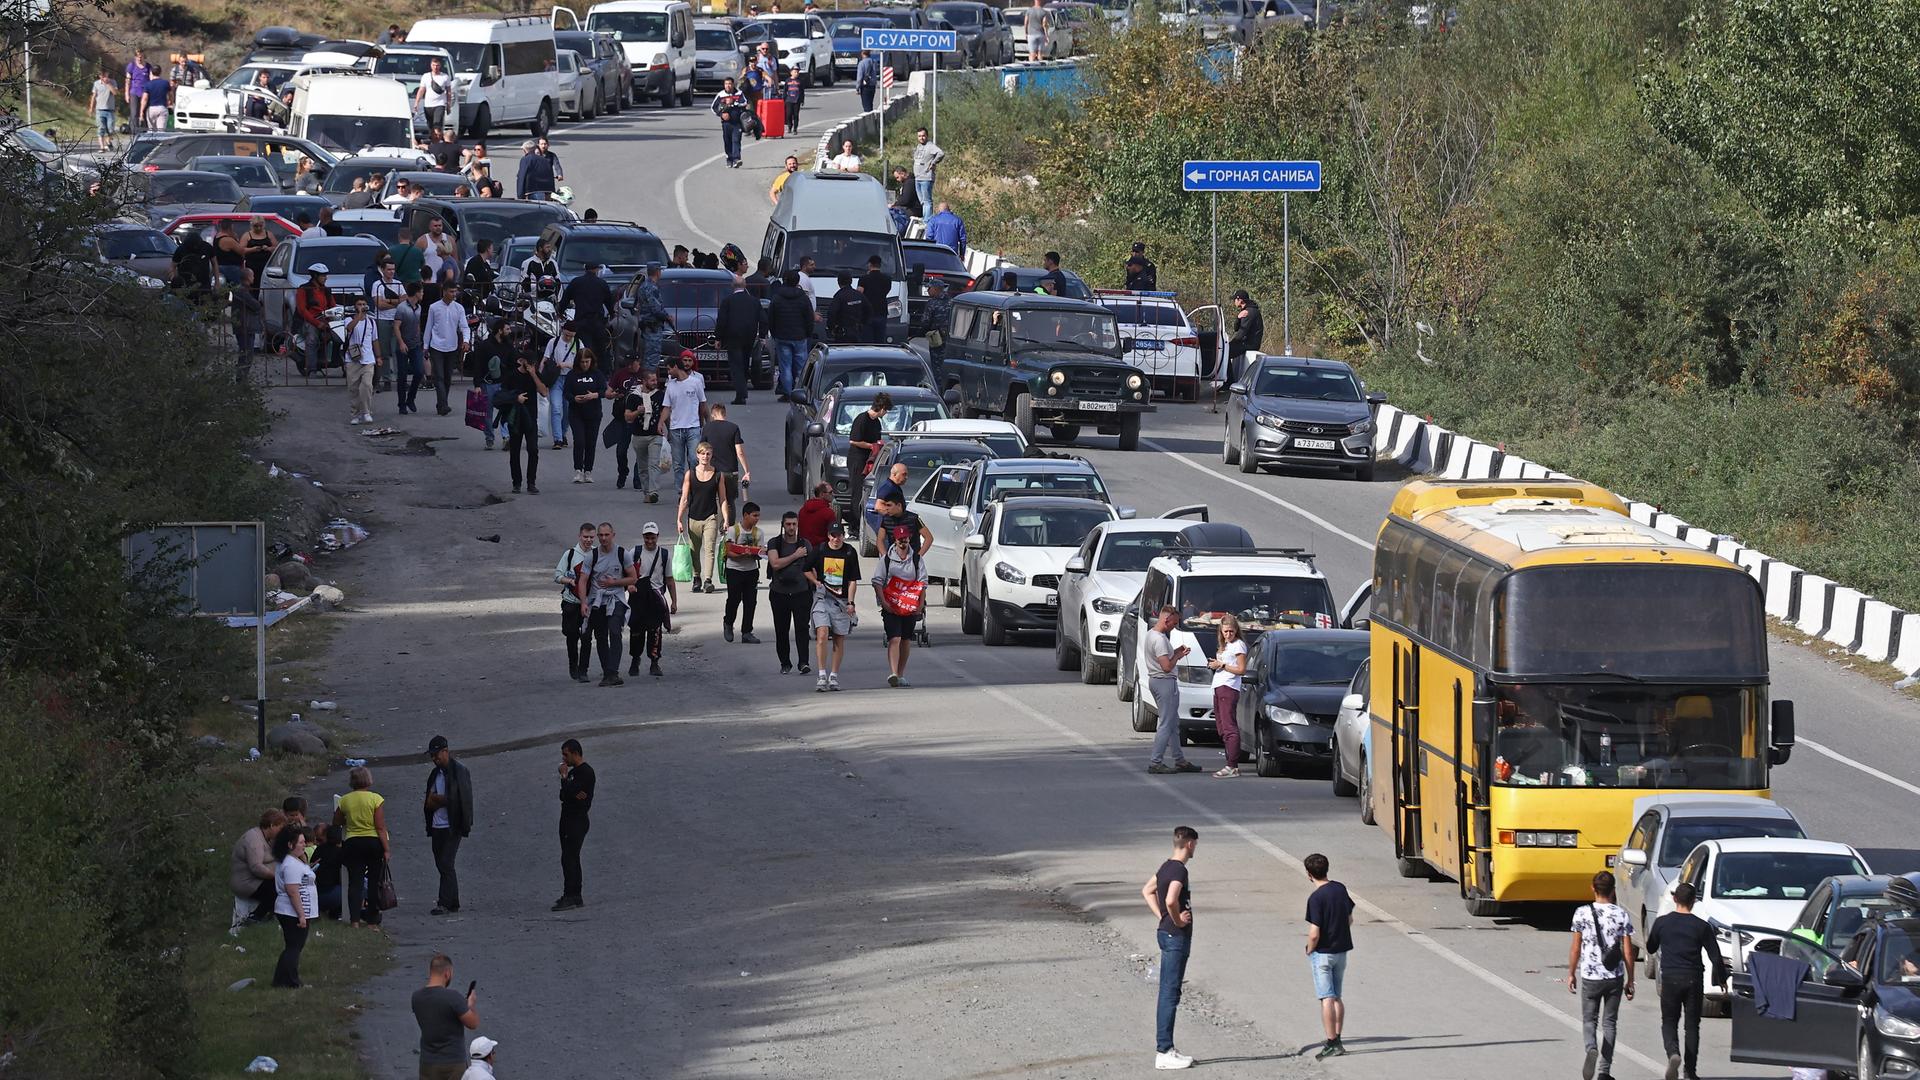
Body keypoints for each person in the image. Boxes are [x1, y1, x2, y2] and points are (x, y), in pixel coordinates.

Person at [1645, 881, 1728, 1080]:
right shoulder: (1701, 926)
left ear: (1674, 899)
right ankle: (1690, 1071)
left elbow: (1650, 947)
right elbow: (1715, 955)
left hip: (1671, 977)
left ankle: (1673, 1053)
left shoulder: (1662, 922)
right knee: (1692, 1025)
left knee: (1669, 1021)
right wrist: (1722, 979)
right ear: (1694, 902)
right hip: (1693, 979)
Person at [1568, 869, 1635, 1080]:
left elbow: (1576, 948)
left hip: (1590, 975)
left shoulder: (1581, 913)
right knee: (1610, 1023)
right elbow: (1627, 951)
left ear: (1592, 888)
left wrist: (1571, 973)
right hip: (1614, 976)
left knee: (1589, 1020)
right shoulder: (1621, 914)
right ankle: (1604, 1071)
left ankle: (1591, 1049)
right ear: (1613, 890)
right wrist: (1631, 979)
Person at [1141, 826, 1198, 1071]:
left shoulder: (1165, 866)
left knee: (1168, 991)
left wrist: (1162, 917)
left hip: (1166, 933)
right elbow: (1171, 899)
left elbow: (1146, 890)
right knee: (1169, 993)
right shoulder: (1179, 870)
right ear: (1190, 844)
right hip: (1175, 937)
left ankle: (1165, 1048)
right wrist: (1175, 919)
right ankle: (1164, 1050)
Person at [1304, 852, 1356, 1060]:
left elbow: (1314, 932)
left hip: (1323, 953)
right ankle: (1339, 1037)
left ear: (1309, 874)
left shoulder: (1316, 898)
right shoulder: (1339, 888)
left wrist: (1309, 948)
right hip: (1341, 950)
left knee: (1326, 997)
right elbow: (1349, 918)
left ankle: (1331, 1041)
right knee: (1337, 997)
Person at [577, 522, 636, 687]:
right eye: (600, 535)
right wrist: (583, 603)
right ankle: (609, 673)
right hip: (597, 601)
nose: (603, 538)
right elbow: (582, 581)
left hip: (615, 599)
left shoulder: (622, 553)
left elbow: (633, 578)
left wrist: (614, 583)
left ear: (613, 535)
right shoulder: (592, 556)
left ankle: (613, 672)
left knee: (615, 631)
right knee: (601, 636)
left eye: (606, 535)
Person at [422, 735, 474, 916]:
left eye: (436, 755)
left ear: (446, 751)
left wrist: (439, 800)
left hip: (453, 826)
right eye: (432, 756)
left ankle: (443, 903)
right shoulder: (435, 774)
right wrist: (438, 800)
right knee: (443, 865)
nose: (434, 759)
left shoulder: (459, 771)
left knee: (446, 863)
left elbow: (463, 801)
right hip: (437, 826)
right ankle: (453, 902)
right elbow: (428, 801)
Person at [1145, 606, 1200, 774]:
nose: (1174, 626)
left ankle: (1179, 760)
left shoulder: (1151, 635)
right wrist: (1177, 656)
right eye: (1174, 623)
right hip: (1164, 682)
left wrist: (1175, 652)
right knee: (1166, 724)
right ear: (1166, 620)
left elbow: (1163, 659)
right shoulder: (1160, 639)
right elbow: (1167, 666)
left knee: (1173, 723)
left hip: (1158, 681)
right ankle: (1156, 762)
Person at [870, 523, 926, 687]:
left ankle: (901, 674)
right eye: (900, 539)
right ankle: (893, 673)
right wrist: (884, 602)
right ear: (895, 539)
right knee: (894, 638)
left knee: (906, 640)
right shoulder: (886, 560)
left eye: (905, 539)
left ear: (909, 538)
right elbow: (877, 582)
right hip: (891, 606)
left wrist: (920, 605)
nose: (903, 542)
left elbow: (922, 583)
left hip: (909, 606)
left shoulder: (916, 559)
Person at [334, 765, 390, 928]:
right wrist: (386, 849)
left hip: (353, 842)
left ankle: (354, 920)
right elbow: (380, 826)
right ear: (368, 780)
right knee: (373, 882)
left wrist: (350, 820)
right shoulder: (376, 799)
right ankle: (372, 921)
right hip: (373, 842)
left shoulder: (345, 800)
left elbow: (336, 821)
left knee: (355, 883)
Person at [806, 520, 860, 691]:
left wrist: (851, 602)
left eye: (840, 535)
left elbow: (853, 580)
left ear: (843, 536)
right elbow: (806, 568)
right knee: (822, 634)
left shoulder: (850, 552)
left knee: (838, 637)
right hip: (822, 598)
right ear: (828, 535)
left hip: (841, 601)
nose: (837, 539)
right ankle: (822, 674)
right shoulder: (820, 550)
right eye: (833, 535)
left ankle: (834, 676)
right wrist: (816, 582)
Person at [413, 954, 480, 1080]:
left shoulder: (416, 997)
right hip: (453, 1063)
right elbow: (473, 1023)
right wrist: (470, 1006)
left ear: (430, 971)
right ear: (447, 973)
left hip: (427, 1063)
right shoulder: (453, 997)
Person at [766, 510, 814, 675]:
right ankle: (785, 663)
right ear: (783, 525)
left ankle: (804, 662)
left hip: (801, 593)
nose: (791, 527)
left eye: (794, 524)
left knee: (802, 629)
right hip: (779, 594)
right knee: (781, 630)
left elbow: (812, 567)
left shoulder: (805, 544)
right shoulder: (775, 543)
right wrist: (795, 555)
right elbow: (775, 564)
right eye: (788, 524)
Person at [678, 442, 729, 595]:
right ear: (697, 455)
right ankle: (696, 578)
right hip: (693, 517)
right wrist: (679, 519)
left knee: (710, 549)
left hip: (710, 517)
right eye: (703, 453)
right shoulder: (690, 474)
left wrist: (725, 519)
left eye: (708, 453)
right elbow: (685, 498)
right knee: (694, 550)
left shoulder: (718, 475)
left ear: (711, 455)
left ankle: (708, 580)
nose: (705, 457)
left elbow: (723, 499)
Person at [627, 522, 676, 678]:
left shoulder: (664, 555)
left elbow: (669, 579)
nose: (650, 541)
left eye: (652, 537)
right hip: (638, 597)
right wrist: (629, 586)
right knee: (636, 630)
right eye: (647, 537)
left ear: (657, 537)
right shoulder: (634, 552)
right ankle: (635, 660)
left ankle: (654, 662)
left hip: (655, 598)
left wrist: (674, 602)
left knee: (655, 632)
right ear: (643, 537)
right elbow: (626, 574)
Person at [271, 825, 316, 988]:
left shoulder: (293, 861)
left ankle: (281, 980)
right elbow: (292, 891)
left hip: (295, 910)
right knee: (294, 947)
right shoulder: (290, 865)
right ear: (290, 845)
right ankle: (291, 981)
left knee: (294, 946)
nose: (305, 845)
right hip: (292, 912)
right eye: (301, 842)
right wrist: (301, 915)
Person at [553, 738, 595, 911]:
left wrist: (564, 779)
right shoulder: (573, 773)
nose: (563, 759)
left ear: (576, 753)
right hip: (568, 819)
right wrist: (568, 788)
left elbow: (573, 794)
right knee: (568, 857)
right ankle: (572, 894)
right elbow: (564, 795)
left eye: (566, 754)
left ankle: (572, 895)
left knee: (569, 857)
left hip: (577, 820)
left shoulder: (585, 772)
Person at [498, 350, 548, 494]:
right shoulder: (512, 376)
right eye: (529, 363)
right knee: (515, 451)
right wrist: (515, 398)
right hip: (515, 416)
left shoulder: (535, 375)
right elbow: (502, 395)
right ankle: (516, 482)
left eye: (533, 364)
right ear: (522, 361)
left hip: (531, 417)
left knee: (533, 449)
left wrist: (533, 374)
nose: (531, 366)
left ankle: (531, 482)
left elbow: (544, 392)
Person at [1206, 614, 1248, 777]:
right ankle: (1230, 759)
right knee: (1221, 726)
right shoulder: (1225, 646)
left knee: (1229, 726)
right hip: (1218, 686)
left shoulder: (1238, 645)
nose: (1228, 634)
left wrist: (1222, 664)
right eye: (1225, 631)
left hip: (1229, 687)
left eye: (1231, 631)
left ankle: (1232, 765)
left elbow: (1241, 669)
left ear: (1236, 630)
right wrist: (1215, 665)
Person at [661, 352, 708, 495]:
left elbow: (703, 404)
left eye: (669, 369)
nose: (668, 372)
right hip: (676, 430)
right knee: (678, 464)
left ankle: (695, 487)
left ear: (676, 367)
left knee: (694, 459)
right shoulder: (671, 386)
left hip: (693, 428)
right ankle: (681, 491)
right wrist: (661, 422)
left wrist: (709, 423)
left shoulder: (696, 382)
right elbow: (667, 407)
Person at [616, 365, 665, 500]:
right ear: (644, 381)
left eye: (656, 380)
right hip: (639, 436)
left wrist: (668, 429)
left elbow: (664, 413)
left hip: (655, 435)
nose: (655, 383)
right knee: (643, 468)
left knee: (654, 464)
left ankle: (654, 492)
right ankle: (647, 493)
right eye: (652, 381)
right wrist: (638, 412)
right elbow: (627, 417)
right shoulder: (633, 397)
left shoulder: (660, 395)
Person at [230, 808, 287, 924]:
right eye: (280, 828)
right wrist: (276, 876)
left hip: (257, 880)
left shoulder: (266, 838)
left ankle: (272, 913)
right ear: (271, 826)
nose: (282, 831)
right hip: (247, 882)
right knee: (276, 888)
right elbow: (256, 867)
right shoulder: (253, 839)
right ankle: (256, 916)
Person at [555, 523, 596, 681]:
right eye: (585, 537)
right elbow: (557, 575)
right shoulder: (570, 555)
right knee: (571, 635)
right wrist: (570, 581)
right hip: (571, 602)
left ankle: (583, 670)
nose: (588, 540)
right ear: (579, 536)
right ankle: (573, 664)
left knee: (586, 637)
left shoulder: (596, 554)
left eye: (591, 537)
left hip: (589, 603)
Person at [424, 282, 471, 417]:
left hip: (452, 346)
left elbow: (464, 326)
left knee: (447, 378)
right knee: (438, 376)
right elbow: (429, 327)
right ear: (444, 291)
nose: (454, 294)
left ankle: (441, 404)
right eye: (451, 291)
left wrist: (466, 341)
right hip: (436, 346)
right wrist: (425, 346)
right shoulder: (434, 307)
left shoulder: (459, 308)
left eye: (455, 292)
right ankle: (444, 405)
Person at [714, 278, 763, 405]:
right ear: (745, 285)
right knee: (745, 363)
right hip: (749, 336)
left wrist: (718, 338)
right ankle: (743, 389)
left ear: (732, 286)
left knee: (736, 365)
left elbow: (722, 321)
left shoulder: (728, 301)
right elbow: (763, 319)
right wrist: (762, 336)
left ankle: (741, 394)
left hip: (733, 337)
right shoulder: (754, 301)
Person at [722, 501, 765, 644]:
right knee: (734, 599)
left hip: (751, 570)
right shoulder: (734, 530)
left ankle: (747, 631)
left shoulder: (759, 532)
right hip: (734, 569)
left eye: (758, 516)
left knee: (750, 601)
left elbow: (760, 552)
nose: (757, 518)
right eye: (754, 515)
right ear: (746, 515)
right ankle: (728, 623)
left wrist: (756, 553)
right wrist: (742, 554)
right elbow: (728, 551)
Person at [1215, 289, 1263, 411]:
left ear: (1239, 300)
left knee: (1226, 352)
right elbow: (1237, 328)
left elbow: (1241, 333)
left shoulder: (1249, 312)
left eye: (1235, 300)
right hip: (1246, 342)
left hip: (1249, 344)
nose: (1234, 302)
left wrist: (1229, 344)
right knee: (1227, 350)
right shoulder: (1245, 311)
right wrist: (1238, 317)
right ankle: (1228, 380)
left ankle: (1229, 381)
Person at [767, 270, 812, 401]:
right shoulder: (803, 297)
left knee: (785, 366)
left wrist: (774, 333)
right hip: (800, 335)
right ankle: (802, 392)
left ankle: (788, 393)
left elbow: (771, 317)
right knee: (801, 366)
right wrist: (808, 332)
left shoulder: (777, 297)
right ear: (797, 281)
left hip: (782, 336)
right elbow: (808, 317)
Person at [560, 261, 616, 364]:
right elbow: (609, 302)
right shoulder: (601, 283)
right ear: (597, 270)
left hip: (581, 321)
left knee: (583, 349)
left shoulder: (576, 282)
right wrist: (612, 314)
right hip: (597, 322)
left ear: (585, 269)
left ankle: (583, 370)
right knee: (600, 350)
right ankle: (601, 374)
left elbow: (565, 299)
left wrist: (560, 312)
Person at [844, 392, 889, 520]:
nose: (886, 413)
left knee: (866, 491)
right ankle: (855, 522)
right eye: (886, 410)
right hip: (857, 459)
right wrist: (871, 446)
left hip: (869, 460)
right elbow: (853, 440)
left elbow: (877, 439)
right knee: (857, 491)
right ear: (881, 408)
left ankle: (862, 519)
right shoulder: (862, 419)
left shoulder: (876, 423)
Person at [703, 401, 750, 519]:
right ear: (725, 413)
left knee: (713, 500)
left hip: (712, 471)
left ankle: (714, 526)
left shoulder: (707, 428)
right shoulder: (733, 428)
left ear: (713, 415)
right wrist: (746, 471)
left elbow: (702, 449)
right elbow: (739, 451)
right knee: (729, 501)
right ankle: (729, 531)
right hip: (730, 471)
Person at [343, 297, 381, 425]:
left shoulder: (371, 322)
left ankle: (366, 412)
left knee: (366, 385)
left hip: (368, 359)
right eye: (359, 304)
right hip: (353, 359)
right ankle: (355, 414)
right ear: (355, 306)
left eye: (364, 304)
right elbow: (349, 329)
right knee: (353, 388)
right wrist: (359, 316)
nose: (362, 306)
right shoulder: (349, 320)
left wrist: (379, 356)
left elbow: (375, 340)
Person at [294, 264, 336, 376]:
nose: (326, 278)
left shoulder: (326, 290)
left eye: (326, 275)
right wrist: (317, 323)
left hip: (326, 319)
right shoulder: (304, 289)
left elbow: (333, 306)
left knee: (342, 335)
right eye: (323, 275)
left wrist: (335, 317)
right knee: (312, 339)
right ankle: (311, 369)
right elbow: (302, 310)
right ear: (315, 276)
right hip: (309, 321)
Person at [633, 262, 672, 370]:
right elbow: (656, 308)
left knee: (647, 356)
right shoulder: (652, 288)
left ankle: (647, 380)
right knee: (652, 357)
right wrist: (667, 317)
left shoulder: (643, 286)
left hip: (647, 326)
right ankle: (649, 382)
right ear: (657, 272)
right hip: (653, 327)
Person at [712, 77, 748, 168]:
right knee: (727, 141)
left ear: (733, 84)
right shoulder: (721, 95)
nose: (728, 86)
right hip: (726, 124)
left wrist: (733, 103)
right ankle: (729, 159)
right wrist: (721, 114)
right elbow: (713, 107)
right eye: (726, 84)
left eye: (730, 84)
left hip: (737, 122)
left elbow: (744, 103)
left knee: (736, 140)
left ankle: (736, 159)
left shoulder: (739, 93)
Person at [859, 257, 892, 343]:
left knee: (867, 341)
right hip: (881, 313)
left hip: (867, 314)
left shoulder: (864, 278)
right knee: (880, 341)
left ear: (870, 264)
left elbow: (859, 293)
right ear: (880, 265)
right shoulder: (887, 279)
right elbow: (886, 291)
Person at [827, 273, 868, 343]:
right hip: (857, 331)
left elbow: (832, 312)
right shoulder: (859, 295)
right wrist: (863, 323)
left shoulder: (839, 296)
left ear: (838, 282)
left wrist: (831, 327)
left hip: (843, 333)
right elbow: (868, 310)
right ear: (851, 281)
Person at [417, 58, 454, 135]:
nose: (435, 67)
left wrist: (448, 104)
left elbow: (449, 92)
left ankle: (438, 141)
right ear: (431, 65)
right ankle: (433, 141)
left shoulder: (445, 77)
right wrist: (416, 103)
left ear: (440, 66)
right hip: (428, 105)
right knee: (430, 126)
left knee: (437, 124)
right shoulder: (425, 76)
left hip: (440, 104)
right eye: (433, 65)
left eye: (437, 65)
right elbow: (421, 90)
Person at [911, 127, 943, 210]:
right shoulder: (918, 146)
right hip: (918, 178)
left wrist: (933, 163)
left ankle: (927, 221)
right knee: (922, 201)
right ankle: (924, 219)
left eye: (923, 136)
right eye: (919, 136)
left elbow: (941, 153)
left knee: (927, 201)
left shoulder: (930, 146)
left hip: (926, 178)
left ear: (927, 136)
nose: (921, 138)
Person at [798, 481, 835, 547]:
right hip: (822, 550)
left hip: (804, 549)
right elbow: (833, 535)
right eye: (830, 492)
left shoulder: (802, 510)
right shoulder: (829, 513)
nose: (833, 494)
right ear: (822, 494)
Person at [125, 48, 153, 132]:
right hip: (134, 92)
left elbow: (151, 79)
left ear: (144, 56)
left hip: (145, 93)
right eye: (137, 57)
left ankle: (144, 132)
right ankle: (134, 132)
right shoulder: (132, 65)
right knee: (134, 113)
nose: (139, 59)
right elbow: (127, 80)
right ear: (135, 57)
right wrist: (126, 93)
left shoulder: (148, 66)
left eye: (141, 57)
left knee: (144, 113)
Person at [91, 70, 118, 150]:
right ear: (100, 76)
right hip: (99, 109)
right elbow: (94, 96)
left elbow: (115, 93)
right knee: (101, 128)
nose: (105, 78)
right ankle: (102, 147)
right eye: (103, 76)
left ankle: (108, 141)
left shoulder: (113, 82)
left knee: (110, 129)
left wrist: (108, 84)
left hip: (110, 110)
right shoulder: (96, 83)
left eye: (106, 76)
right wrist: (91, 107)